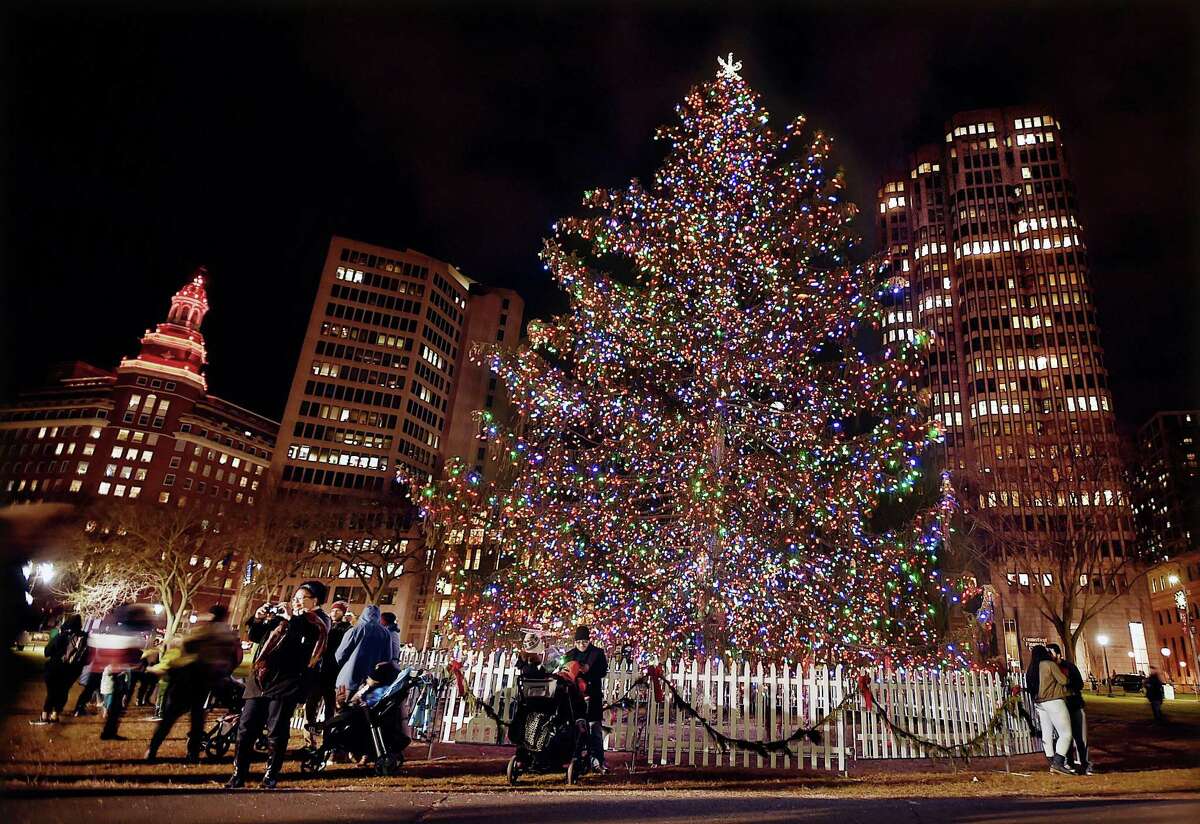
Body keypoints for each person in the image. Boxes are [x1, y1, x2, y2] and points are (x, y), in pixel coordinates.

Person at [226, 581, 329, 790]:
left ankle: (270, 775)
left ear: (315, 601)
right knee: (246, 728)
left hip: (286, 682)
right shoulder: (283, 619)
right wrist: (259, 617)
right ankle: (238, 774)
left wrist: (292, 618)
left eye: (302, 598)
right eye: (295, 598)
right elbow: (256, 636)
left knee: (276, 730)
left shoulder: (318, 622)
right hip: (260, 679)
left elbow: (309, 640)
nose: (296, 602)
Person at [145, 605, 241, 763]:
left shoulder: (206, 631)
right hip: (207, 680)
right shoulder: (227, 635)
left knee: (170, 718)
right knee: (197, 720)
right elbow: (232, 658)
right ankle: (193, 753)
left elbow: (185, 644)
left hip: (188, 677)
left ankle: (153, 749)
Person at [87, 604, 155, 740]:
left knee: (117, 706)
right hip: (118, 673)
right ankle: (108, 732)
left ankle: (109, 731)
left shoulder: (121, 631)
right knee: (116, 705)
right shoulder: (127, 633)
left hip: (119, 672)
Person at [304, 600, 351, 746]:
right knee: (310, 706)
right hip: (318, 673)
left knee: (330, 711)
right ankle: (309, 740)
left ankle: (327, 741)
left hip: (333, 675)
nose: (334, 613)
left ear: (343, 613)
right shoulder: (325, 626)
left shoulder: (347, 629)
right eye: (333, 610)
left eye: (338, 610)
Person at [563, 625, 608, 772]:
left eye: (584, 641)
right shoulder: (570, 655)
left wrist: (588, 671)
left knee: (594, 728)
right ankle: (575, 758)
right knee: (575, 728)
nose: (581, 644)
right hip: (575, 699)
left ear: (589, 641)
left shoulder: (597, 653)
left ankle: (597, 761)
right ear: (575, 642)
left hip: (592, 696)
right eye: (579, 641)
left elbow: (602, 671)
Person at [1025, 644, 1075, 775]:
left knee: (1047, 731)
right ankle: (1058, 762)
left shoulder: (1032, 669)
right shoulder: (1049, 664)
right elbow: (1063, 680)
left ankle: (1051, 760)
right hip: (1054, 700)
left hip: (1040, 703)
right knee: (1066, 734)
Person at [1047, 643, 1094, 775]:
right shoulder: (1049, 668)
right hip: (1061, 707)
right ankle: (1070, 763)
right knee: (1064, 736)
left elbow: (1079, 683)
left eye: (1051, 653)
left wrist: (1067, 687)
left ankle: (1086, 764)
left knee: (1080, 737)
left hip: (1074, 705)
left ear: (1058, 654)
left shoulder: (1069, 667)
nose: (1049, 655)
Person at [334, 604, 394, 700]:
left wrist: (344, 666)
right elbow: (387, 658)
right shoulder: (386, 633)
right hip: (370, 681)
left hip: (348, 679)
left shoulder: (355, 630)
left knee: (342, 710)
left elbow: (341, 654)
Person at [37, 614, 87, 724]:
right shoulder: (84, 637)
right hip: (72, 671)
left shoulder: (62, 635)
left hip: (55, 668)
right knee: (63, 692)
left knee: (52, 692)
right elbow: (86, 657)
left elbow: (47, 652)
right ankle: (55, 715)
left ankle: (45, 716)